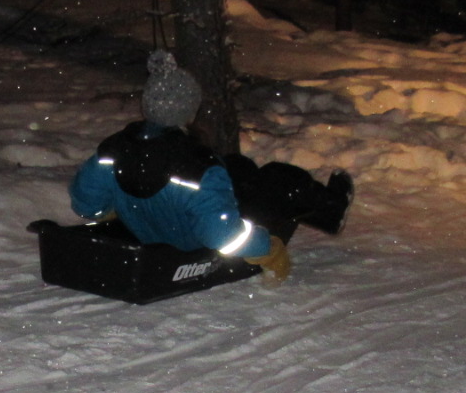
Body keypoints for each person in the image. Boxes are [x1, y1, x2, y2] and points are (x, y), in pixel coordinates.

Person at [69, 49, 353, 280]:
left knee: (237, 165)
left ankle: (321, 211)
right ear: (188, 111)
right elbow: (221, 236)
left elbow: (86, 204)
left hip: (152, 229)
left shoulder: (114, 149)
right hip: (192, 241)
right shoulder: (197, 167)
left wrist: (133, 208)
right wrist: (267, 250)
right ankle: (331, 208)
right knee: (279, 178)